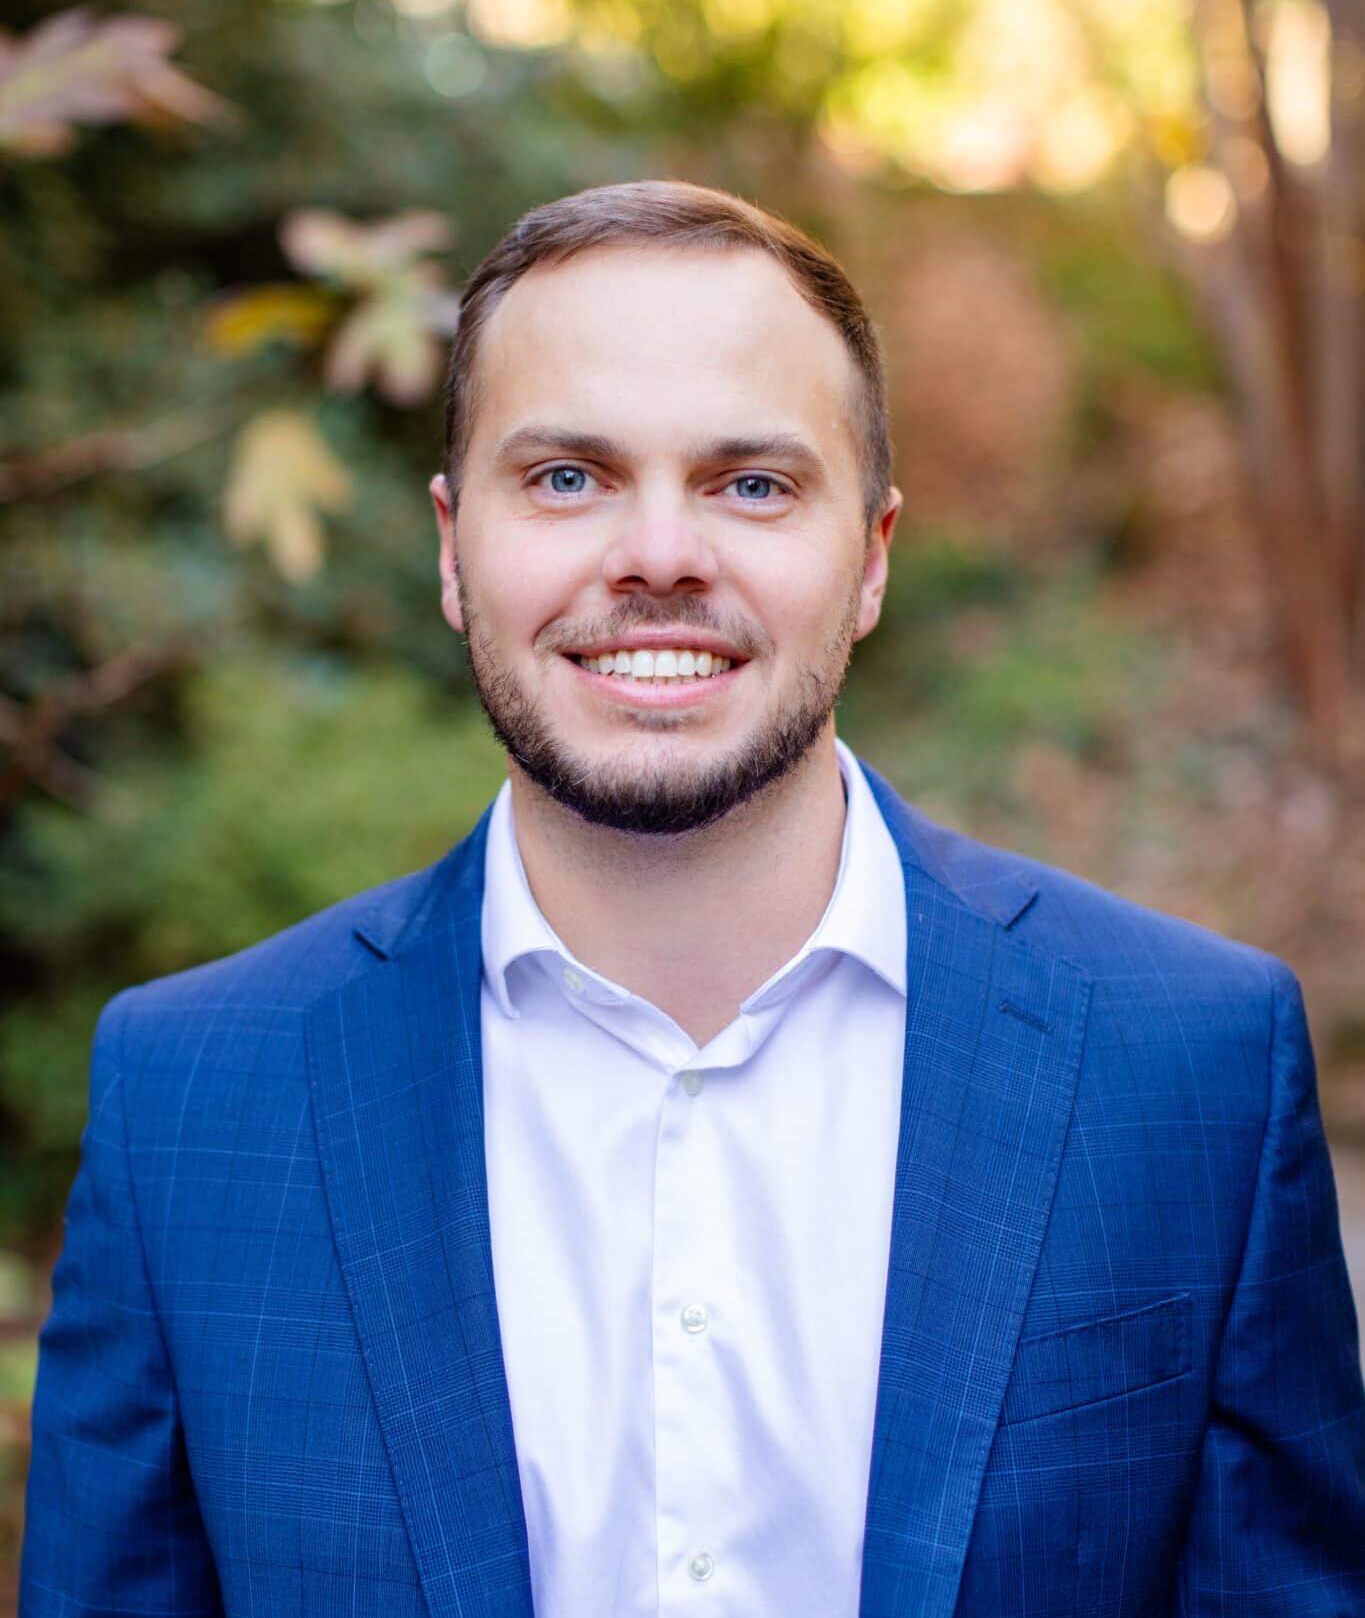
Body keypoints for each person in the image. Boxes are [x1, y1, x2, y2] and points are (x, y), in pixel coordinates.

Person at [20, 180, 1365, 1618]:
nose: (658, 554)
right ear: (449, 548)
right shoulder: (195, 1103)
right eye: (564, 477)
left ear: (871, 558)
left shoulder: (1191, 1069)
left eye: (751, 483)